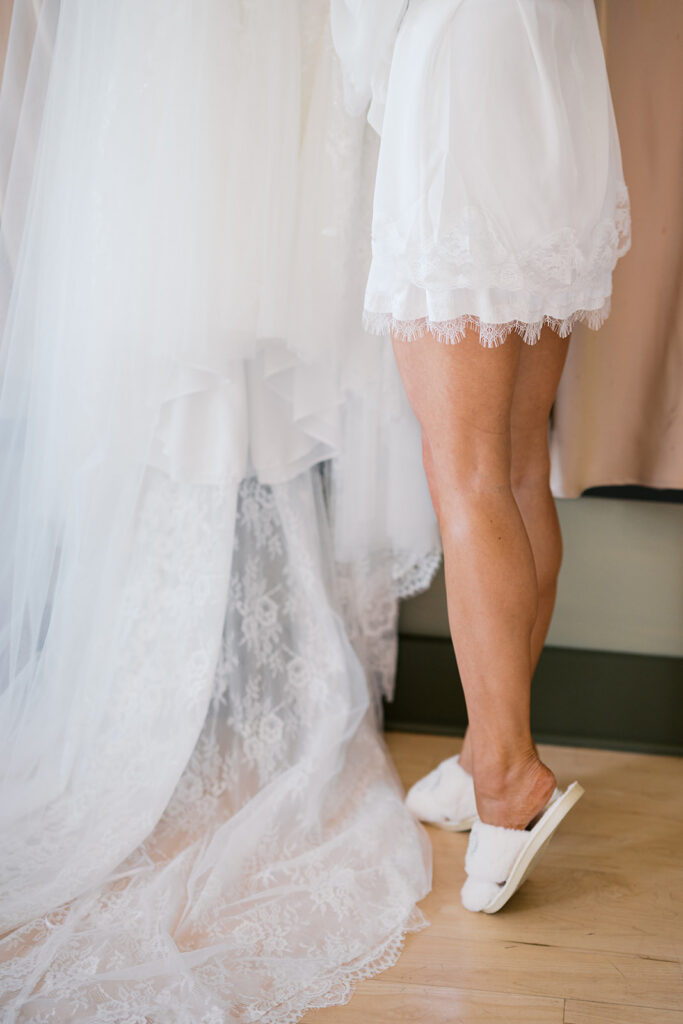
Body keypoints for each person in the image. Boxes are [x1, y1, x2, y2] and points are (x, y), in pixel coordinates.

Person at [332, 0, 631, 913]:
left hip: (461, 77)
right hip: (555, 71)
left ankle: (506, 771)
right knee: (506, 467)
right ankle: (481, 751)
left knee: (464, 472)